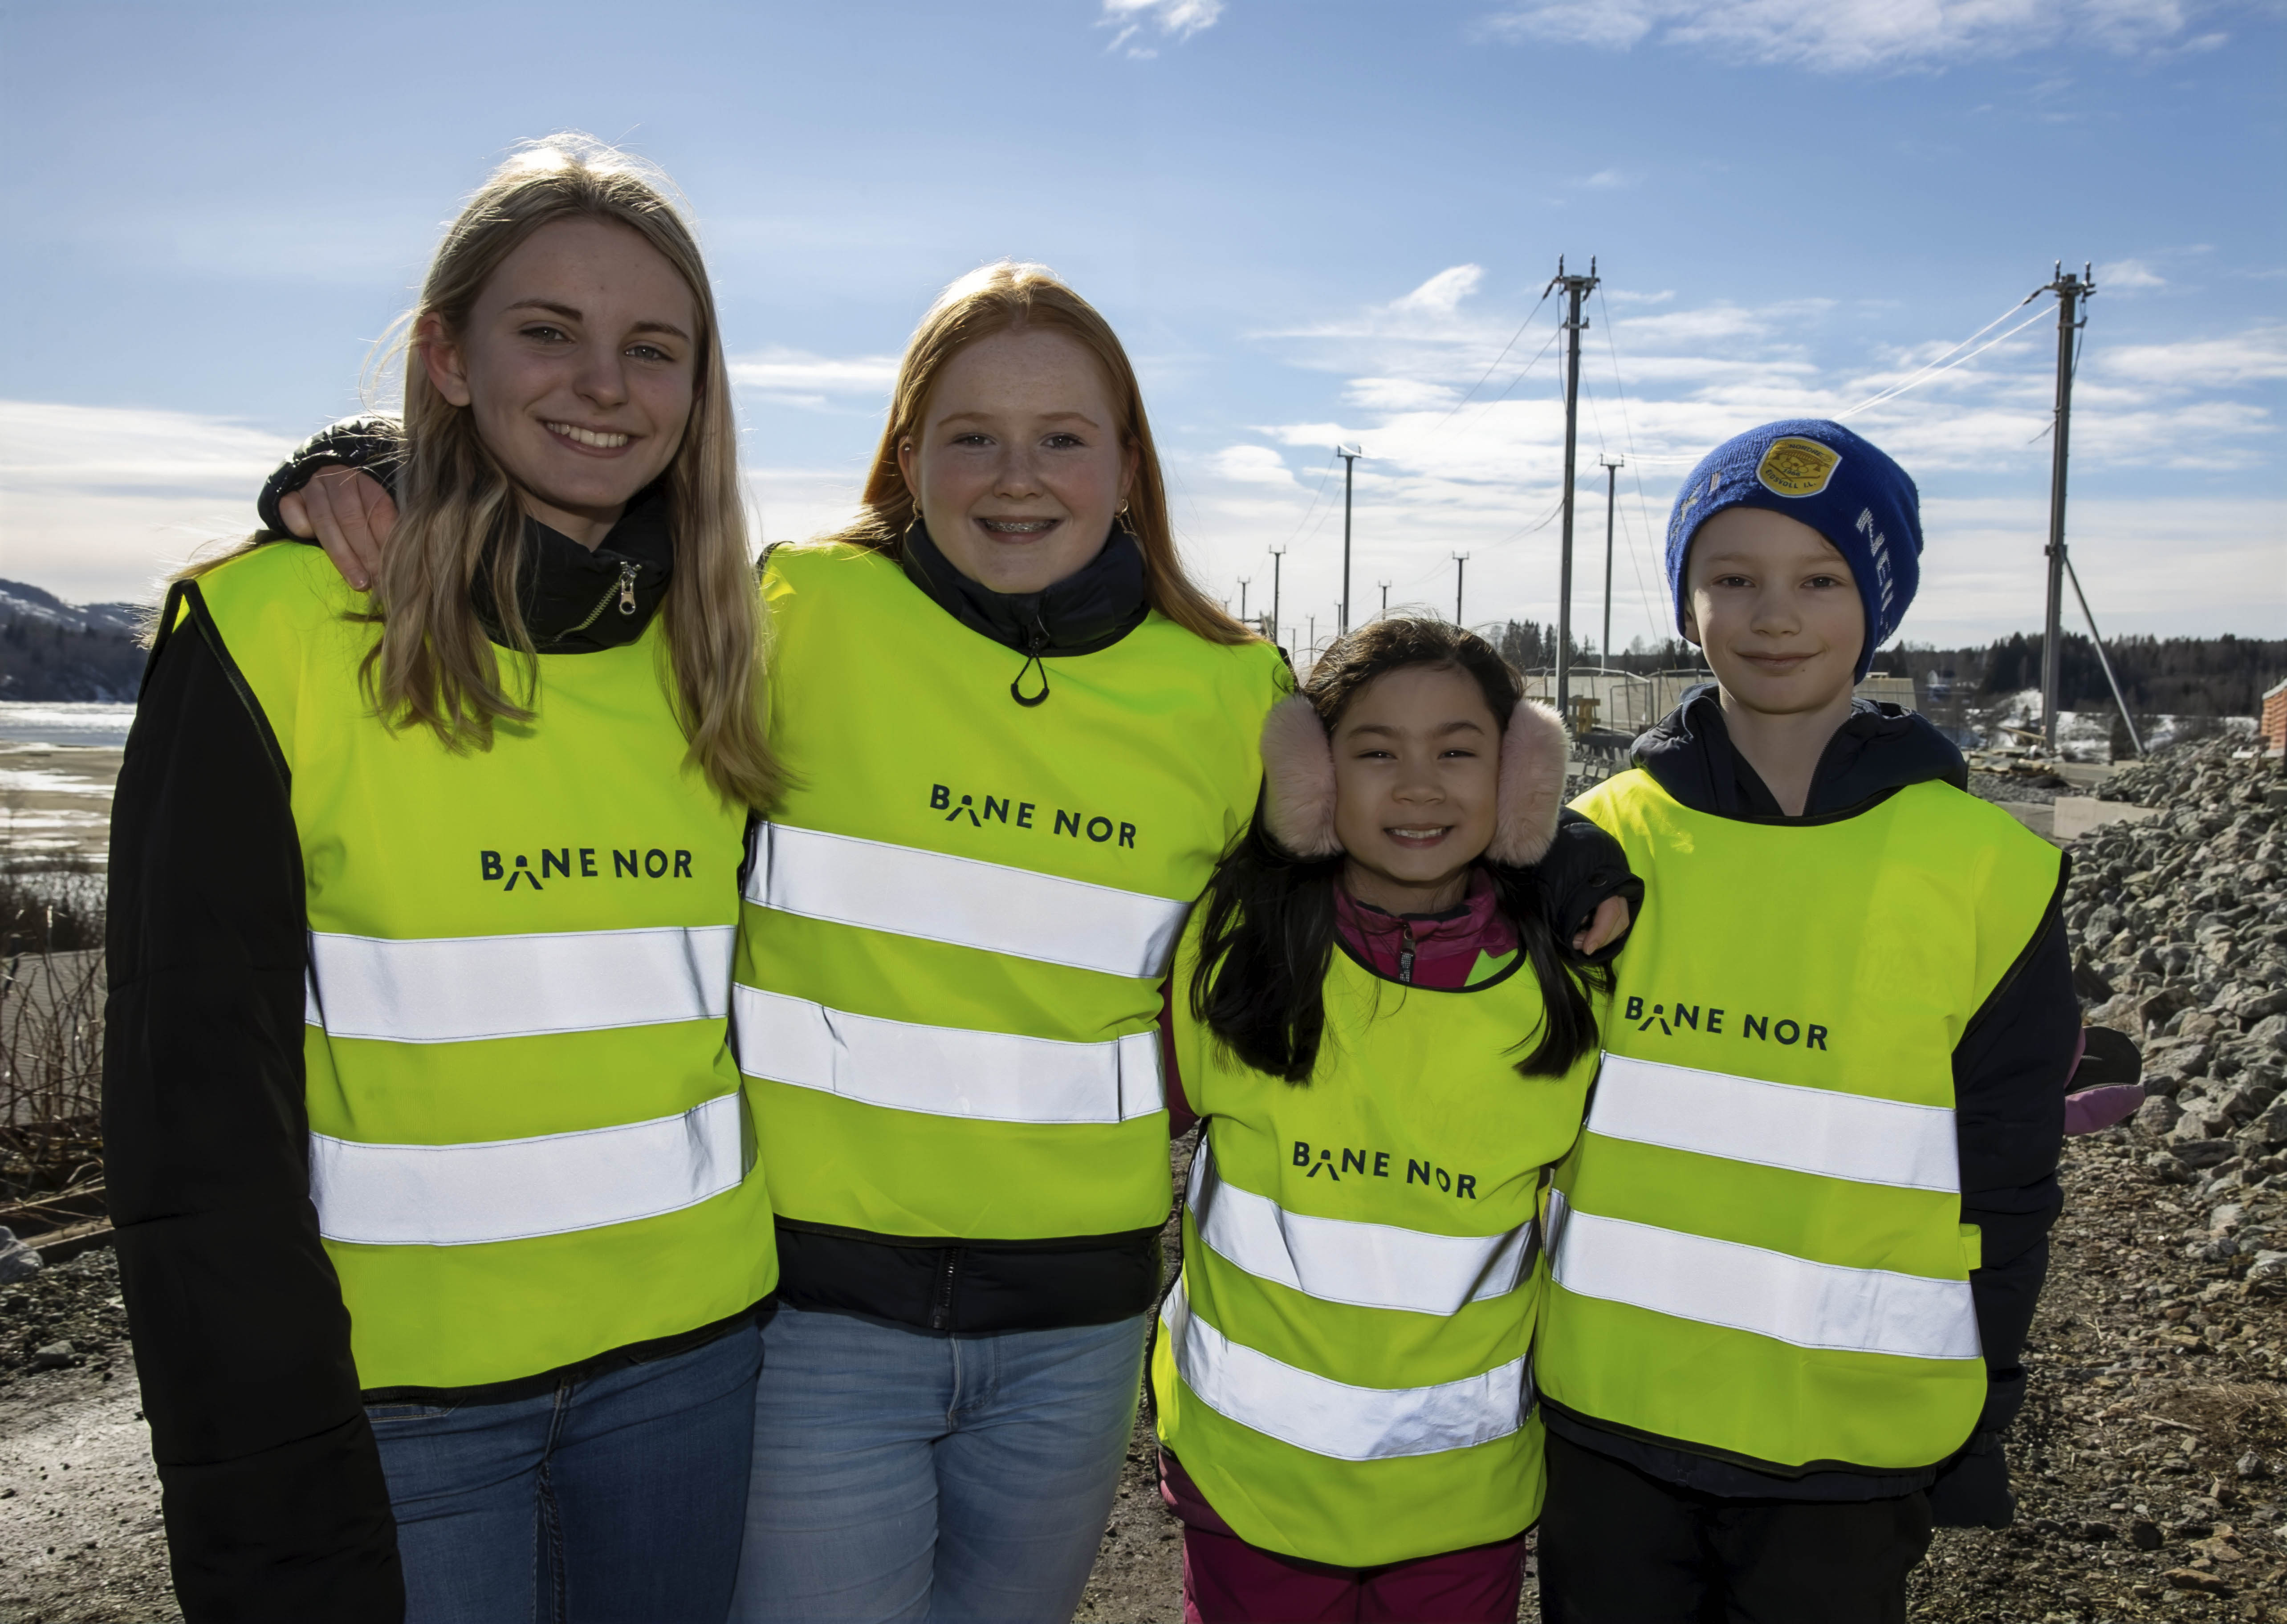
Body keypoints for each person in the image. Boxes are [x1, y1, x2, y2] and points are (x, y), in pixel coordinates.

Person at [260, 263, 1634, 1624]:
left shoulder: (1230, 693)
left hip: (1073, 1333)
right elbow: (580, 598)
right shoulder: (795, 612)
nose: (1016, 479)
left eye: (1063, 440)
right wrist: (388, 463)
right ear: (907, 456)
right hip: (816, 1316)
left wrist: (1555, 850)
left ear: (1129, 465)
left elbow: (1396, 824)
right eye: (972, 437)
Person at [105, 136, 779, 1624]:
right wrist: (259, 1462)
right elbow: (189, 1108)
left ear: (697, 387)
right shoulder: (274, 626)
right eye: (547, 331)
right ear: (447, 357)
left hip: (692, 1363)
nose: (603, 383)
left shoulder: (723, 654)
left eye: (651, 348)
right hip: (398, 1393)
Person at [1532, 420, 2079, 1623]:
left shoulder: (1985, 869)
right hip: (1610, 1415)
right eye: (1733, 578)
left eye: (1820, 580)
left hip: (1851, 1438)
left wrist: (1986, 1392)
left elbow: (2007, 1161)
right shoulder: (1601, 844)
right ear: (1687, 605)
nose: (1775, 616)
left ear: (1877, 604)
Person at [1156, 617, 1630, 1624]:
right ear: (1310, 776)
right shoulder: (1229, 951)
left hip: (1463, 1505)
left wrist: (1581, 856)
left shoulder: (1573, 985)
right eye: (1376, 753)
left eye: (1458, 753)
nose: (1419, 789)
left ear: (1520, 778)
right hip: (1249, 1487)